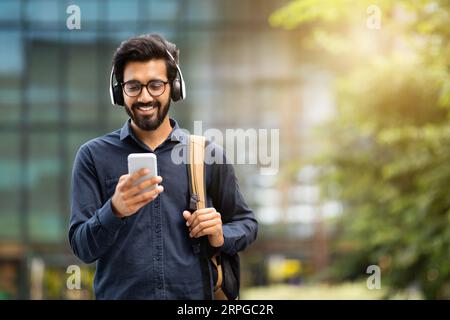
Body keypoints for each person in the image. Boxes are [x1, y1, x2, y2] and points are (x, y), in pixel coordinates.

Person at [68, 34, 258, 299]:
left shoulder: (207, 154)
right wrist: (114, 210)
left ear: (175, 87)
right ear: (119, 91)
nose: (145, 97)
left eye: (155, 85)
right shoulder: (92, 156)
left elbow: (246, 223)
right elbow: (82, 246)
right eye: (133, 86)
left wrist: (219, 234)